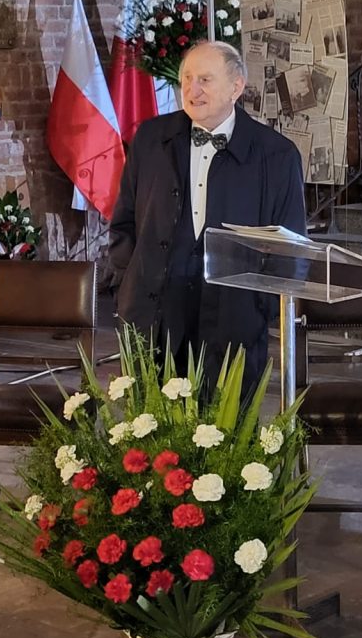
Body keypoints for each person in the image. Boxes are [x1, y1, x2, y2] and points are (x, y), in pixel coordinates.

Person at [109, 41, 306, 392]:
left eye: (205, 79)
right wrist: (130, 282)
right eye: (187, 78)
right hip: (153, 317)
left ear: (236, 87)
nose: (192, 90)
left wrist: (257, 308)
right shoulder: (151, 139)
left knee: (222, 421)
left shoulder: (276, 156)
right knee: (149, 423)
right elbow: (124, 221)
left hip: (233, 322)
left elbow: (291, 249)